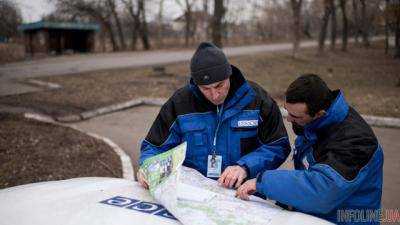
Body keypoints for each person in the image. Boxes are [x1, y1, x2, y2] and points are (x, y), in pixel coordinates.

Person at [138, 42, 290, 189]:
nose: (214, 95)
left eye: (219, 86)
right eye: (205, 88)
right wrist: (148, 167)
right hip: (194, 194)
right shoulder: (179, 103)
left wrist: (245, 167)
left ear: (229, 74)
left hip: (244, 195)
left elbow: (278, 145)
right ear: (196, 84)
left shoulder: (257, 100)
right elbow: (154, 146)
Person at [236, 74, 384, 225]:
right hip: (318, 215)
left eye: (295, 116)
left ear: (320, 114)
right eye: (287, 110)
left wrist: (263, 182)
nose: (288, 119)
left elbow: (323, 192)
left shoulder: (357, 142)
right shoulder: (317, 123)